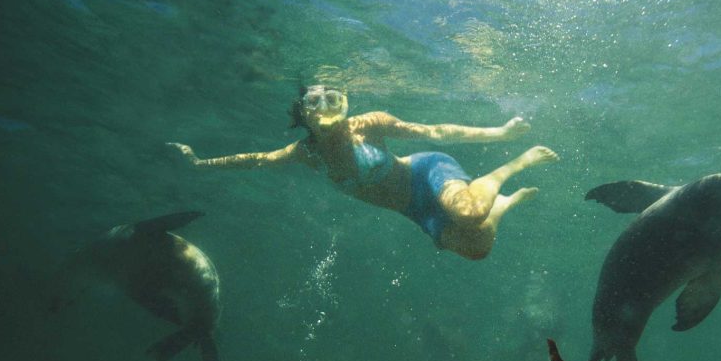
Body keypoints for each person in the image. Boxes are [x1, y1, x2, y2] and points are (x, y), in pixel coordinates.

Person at [168, 85, 558, 260]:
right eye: (314, 102)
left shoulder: (368, 124)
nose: (325, 107)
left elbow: (433, 131)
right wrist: (201, 163)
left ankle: (515, 165)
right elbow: (255, 159)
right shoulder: (306, 153)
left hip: (427, 172)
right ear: (302, 113)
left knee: (470, 213)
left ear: (344, 102)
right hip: (413, 209)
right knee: (478, 248)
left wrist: (500, 133)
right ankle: (505, 202)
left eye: (333, 98)